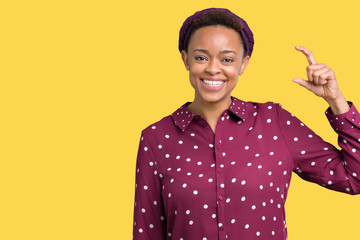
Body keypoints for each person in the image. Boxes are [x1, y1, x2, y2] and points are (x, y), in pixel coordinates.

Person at [132, 7, 360, 240]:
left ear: (243, 64)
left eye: (227, 59)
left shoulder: (274, 122)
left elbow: (355, 178)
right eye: (201, 57)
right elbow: (146, 231)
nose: (213, 68)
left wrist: (336, 100)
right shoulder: (156, 138)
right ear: (185, 59)